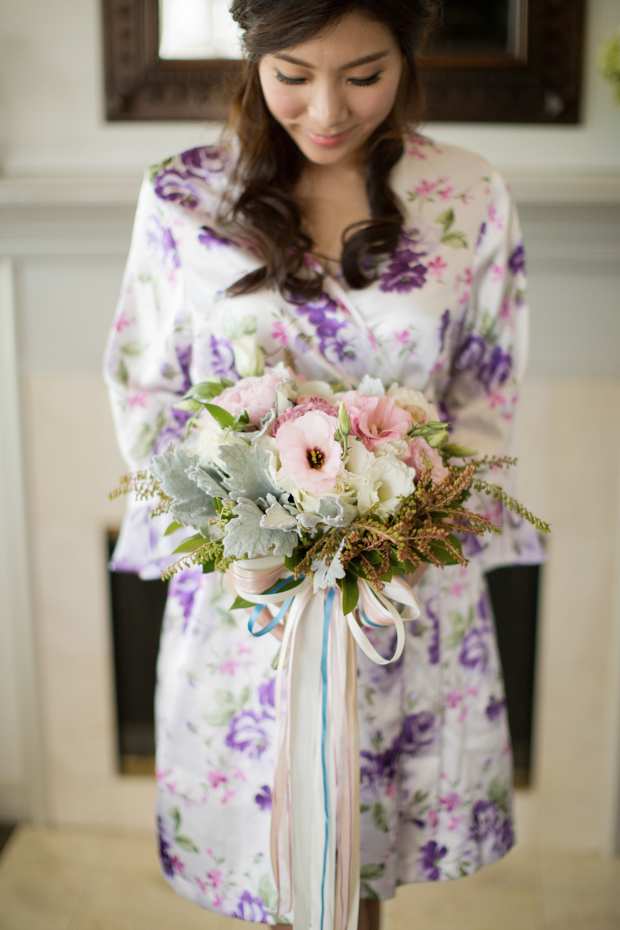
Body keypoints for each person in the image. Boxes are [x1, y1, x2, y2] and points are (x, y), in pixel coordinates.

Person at [104, 1, 543, 927]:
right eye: (294, 75)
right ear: (255, 56)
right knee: (269, 860)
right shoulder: (183, 195)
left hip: (401, 588)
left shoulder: (469, 193)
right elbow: (146, 388)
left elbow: (484, 400)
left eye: (364, 74)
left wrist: (399, 529)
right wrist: (241, 533)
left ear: (409, 55)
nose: (329, 110)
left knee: (366, 864)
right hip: (246, 590)